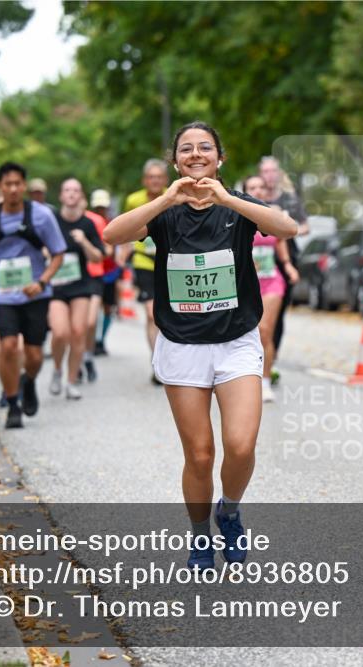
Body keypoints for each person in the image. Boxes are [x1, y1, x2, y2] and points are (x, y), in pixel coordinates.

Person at [104, 121, 297, 569]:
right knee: (200, 454)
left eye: (205, 148)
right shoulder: (164, 211)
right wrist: (166, 198)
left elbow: (286, 227)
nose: (195, 154)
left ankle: (229, 510)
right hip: (183, 345)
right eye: (186, 149)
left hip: (236, 342)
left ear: (219, 158)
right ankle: (199, 536)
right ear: (176, 161)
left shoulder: (239, 207)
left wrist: (229, 198)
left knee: (241, 445)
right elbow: (113, 235)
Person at [0, 162, 66, 429]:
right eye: (7, 184)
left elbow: (58, 253)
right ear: (0, 187)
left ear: (24, 186)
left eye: (17, 184)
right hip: (2, 296)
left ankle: (28, 381)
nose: (13, 189)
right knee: (8, 347)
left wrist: (42, 281)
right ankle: (13, 403)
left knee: (35, 356)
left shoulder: (41, 216)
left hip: (35, 295)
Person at [243, 175, 299, 402]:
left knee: (265, 331)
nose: (257, 190)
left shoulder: (272, 215)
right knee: (248, 333)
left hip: (271, 280)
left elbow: (281, 242)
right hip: (245, 282)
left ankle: (265, 381)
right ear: (244, 190)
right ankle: (244, 380)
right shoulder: (236, 213)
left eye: (261, 187)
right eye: (252, 187)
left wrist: (288, 266)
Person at [47, 178, 105, 399]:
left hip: (80, 285)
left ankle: (71, 382)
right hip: (57, 285)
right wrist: (46, 253)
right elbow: (40, 245)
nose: (71, 194)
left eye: (75, 190)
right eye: (67, 190)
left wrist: (83, 242)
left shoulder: (87, 224)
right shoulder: (52, 221)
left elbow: (98, 256)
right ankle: (56, 370)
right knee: (60, 332)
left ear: (80, 196)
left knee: (79, 332)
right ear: (61, 196)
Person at [259, 156, 309, 384]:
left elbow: (305, 225)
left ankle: (272, 358)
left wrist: (287, 228)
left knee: (275, 316)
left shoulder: (289, 200)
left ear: (278, 174)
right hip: (256, 257)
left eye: (272, 171)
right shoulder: (251, 196)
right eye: (265, 171)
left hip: (282, 259)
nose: (269, 176)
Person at [121, 158, 170, 383]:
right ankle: (157, 362)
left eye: (159, 177)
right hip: (144, 261)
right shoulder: (134, 200)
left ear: (165, 179)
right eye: (151, 177)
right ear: (144, 180)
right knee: (151, 314)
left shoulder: (174, 196)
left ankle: (172, 358)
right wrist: (123, 253)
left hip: (172, 261)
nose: (155, 181)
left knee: (170, 314)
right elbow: (126, 226)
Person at [86, 189, 118, 362]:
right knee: (94, 309)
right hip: (93, 271)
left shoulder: (111, 222)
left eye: (102, 207)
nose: (100, 210)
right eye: (98, 207)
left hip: (110, 272)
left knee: (108, 308)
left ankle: (101, 340)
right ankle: (94, 340)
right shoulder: (88, 223)